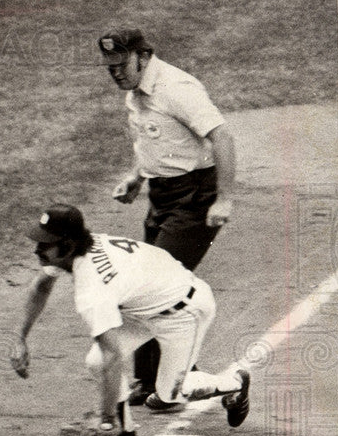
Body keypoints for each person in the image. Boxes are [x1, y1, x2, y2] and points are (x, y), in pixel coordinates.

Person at [10, 202, 250, 436]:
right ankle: (124, 430)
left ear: (67, 245)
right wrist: (20, 338)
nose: (37, 250)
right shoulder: (76, 248)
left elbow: (114, 357)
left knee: (171, 395)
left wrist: (105, 418)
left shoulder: (92, 289)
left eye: (45, 244)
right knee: (96, 361)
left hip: (184, 311)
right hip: (145, 306)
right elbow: (41, 286)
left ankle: (235, 382)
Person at [99, 27, 237, 404]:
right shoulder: (136, 93)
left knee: (156, 286)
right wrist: (135, 177)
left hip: (195, 198)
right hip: (162, 196)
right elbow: (150, 140)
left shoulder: (177, 87)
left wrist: (224, 198)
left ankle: (218, 381)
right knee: (146, 285)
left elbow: (221, 136)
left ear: (143, 56)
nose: (116, 73)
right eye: (109, 67)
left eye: (121, 64)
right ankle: (148, 380)